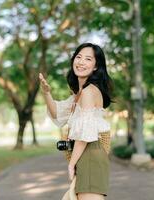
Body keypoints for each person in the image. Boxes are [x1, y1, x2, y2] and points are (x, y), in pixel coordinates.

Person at [39, 43, 114, 200]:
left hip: (90, 155)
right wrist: (46, 93)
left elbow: (84, 135)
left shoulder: (88, 92)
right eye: (78, 57)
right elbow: (58, 114)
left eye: (88, 59)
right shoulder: (79, 95)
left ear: (95, 66)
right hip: (86, 156)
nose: (81, 62)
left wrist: (71, 164)